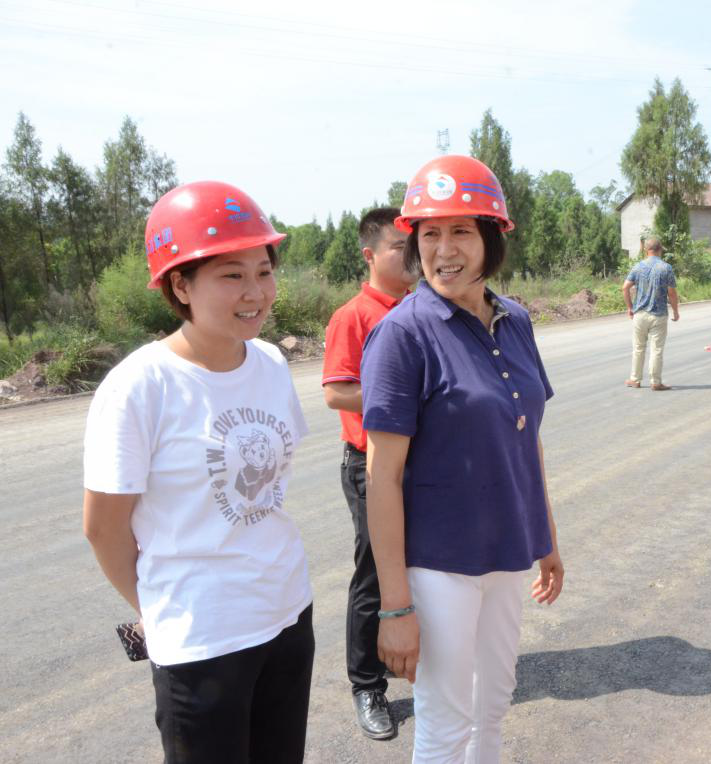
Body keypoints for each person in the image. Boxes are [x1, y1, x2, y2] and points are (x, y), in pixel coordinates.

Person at [82, 181, 314, 762]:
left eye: (264, 271)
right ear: (180, 285)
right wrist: (159, 607)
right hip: (201, 639)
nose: (255, 292)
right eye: (232, 275)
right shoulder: (141, 387)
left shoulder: (270, 362)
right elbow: (103, 528)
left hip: (288, 614)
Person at [359, 155, 564, 763]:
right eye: (429, 234)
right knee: (446, 724)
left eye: (461, 232)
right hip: (439, 564)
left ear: (491, 238)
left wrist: (546, 538)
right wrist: (395, 605)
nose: (443, 250)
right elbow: (381, 478)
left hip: (506, 552)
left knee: (493, 705)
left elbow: (527, 440)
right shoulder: (403, 335)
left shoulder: (515, 320)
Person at [322, 207, 418, 740]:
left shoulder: (421, 308)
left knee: (417, 565)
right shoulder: (354, 316)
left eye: (413, 246)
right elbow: (337, 392)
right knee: (375, 574)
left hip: (416, 459)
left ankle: (414, 659)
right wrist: (407, 395)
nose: (411, 258)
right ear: (369, 255)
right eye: (399, 249)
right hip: (369, 464)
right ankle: (367, 686)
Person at [622, 237, 679, 391]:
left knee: (638, 348)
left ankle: (635, 379)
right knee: (656, 350)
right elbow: (672, 293)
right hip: (658, 315)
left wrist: (630, 307)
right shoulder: (666, 268)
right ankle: (656, 382)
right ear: (660, 250)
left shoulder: (638, 267)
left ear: (646, 250)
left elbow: (625, 288)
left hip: (640, 314)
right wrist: (675, 311)